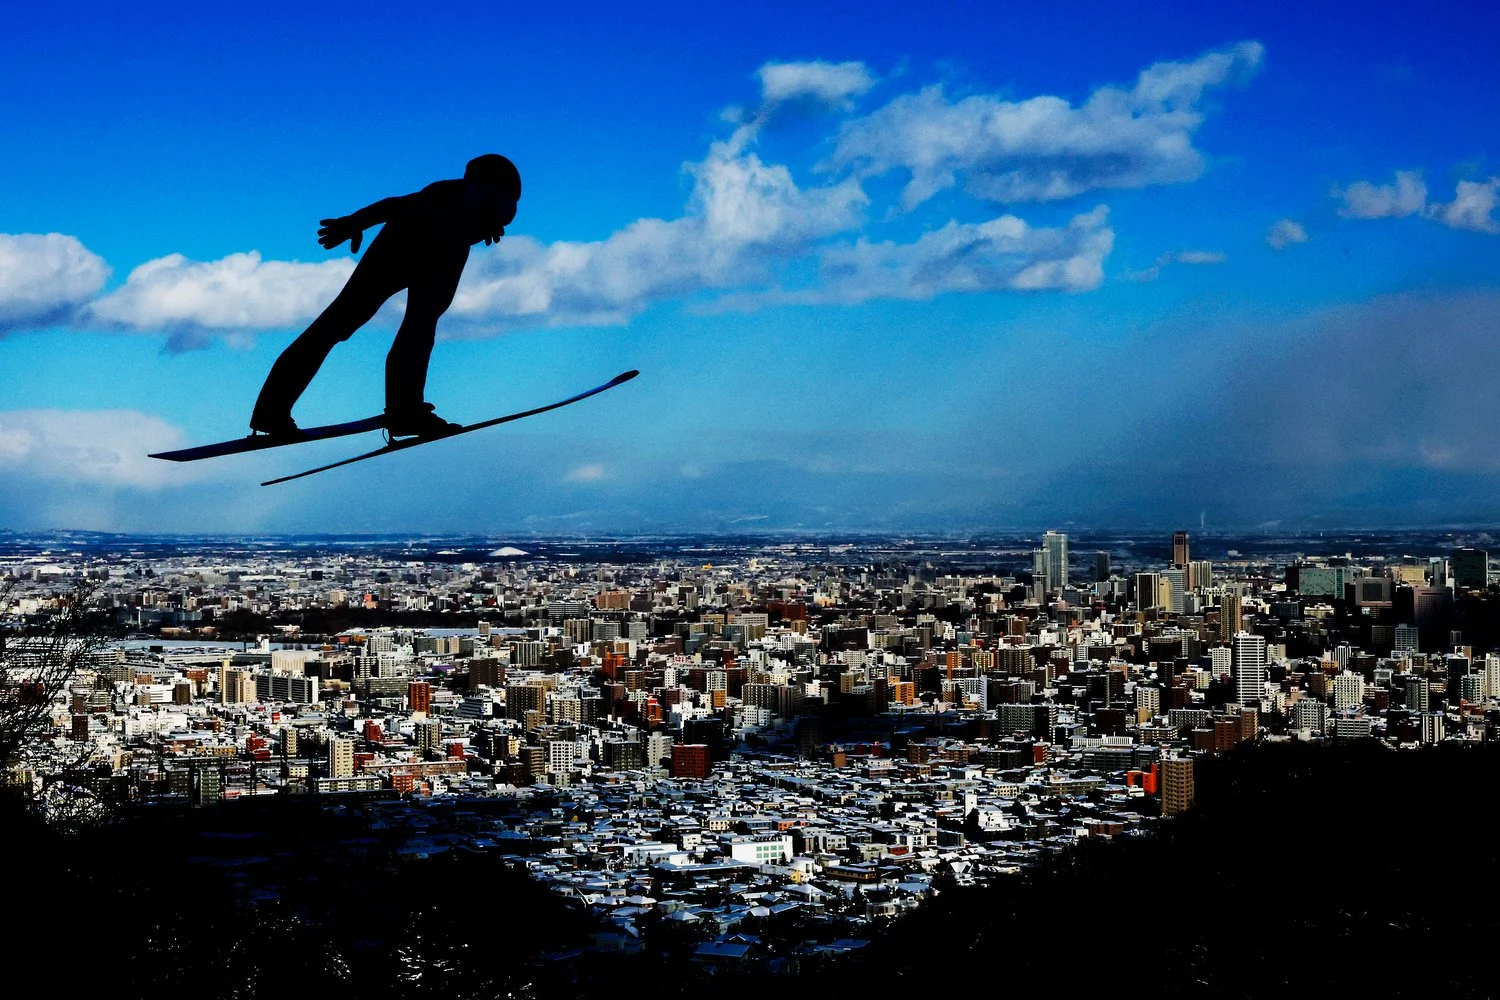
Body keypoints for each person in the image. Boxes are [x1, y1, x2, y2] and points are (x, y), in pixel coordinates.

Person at [249, 153, 521, 438]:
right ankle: (271, 411)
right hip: (400, 246)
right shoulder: (443, 197)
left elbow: (484, 219)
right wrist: (353, 223)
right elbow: (395, 205)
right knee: (338, 324)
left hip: (444, 254)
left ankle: (405, 411)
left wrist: (484, 226)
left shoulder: (493, 203)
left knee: (420, 329)